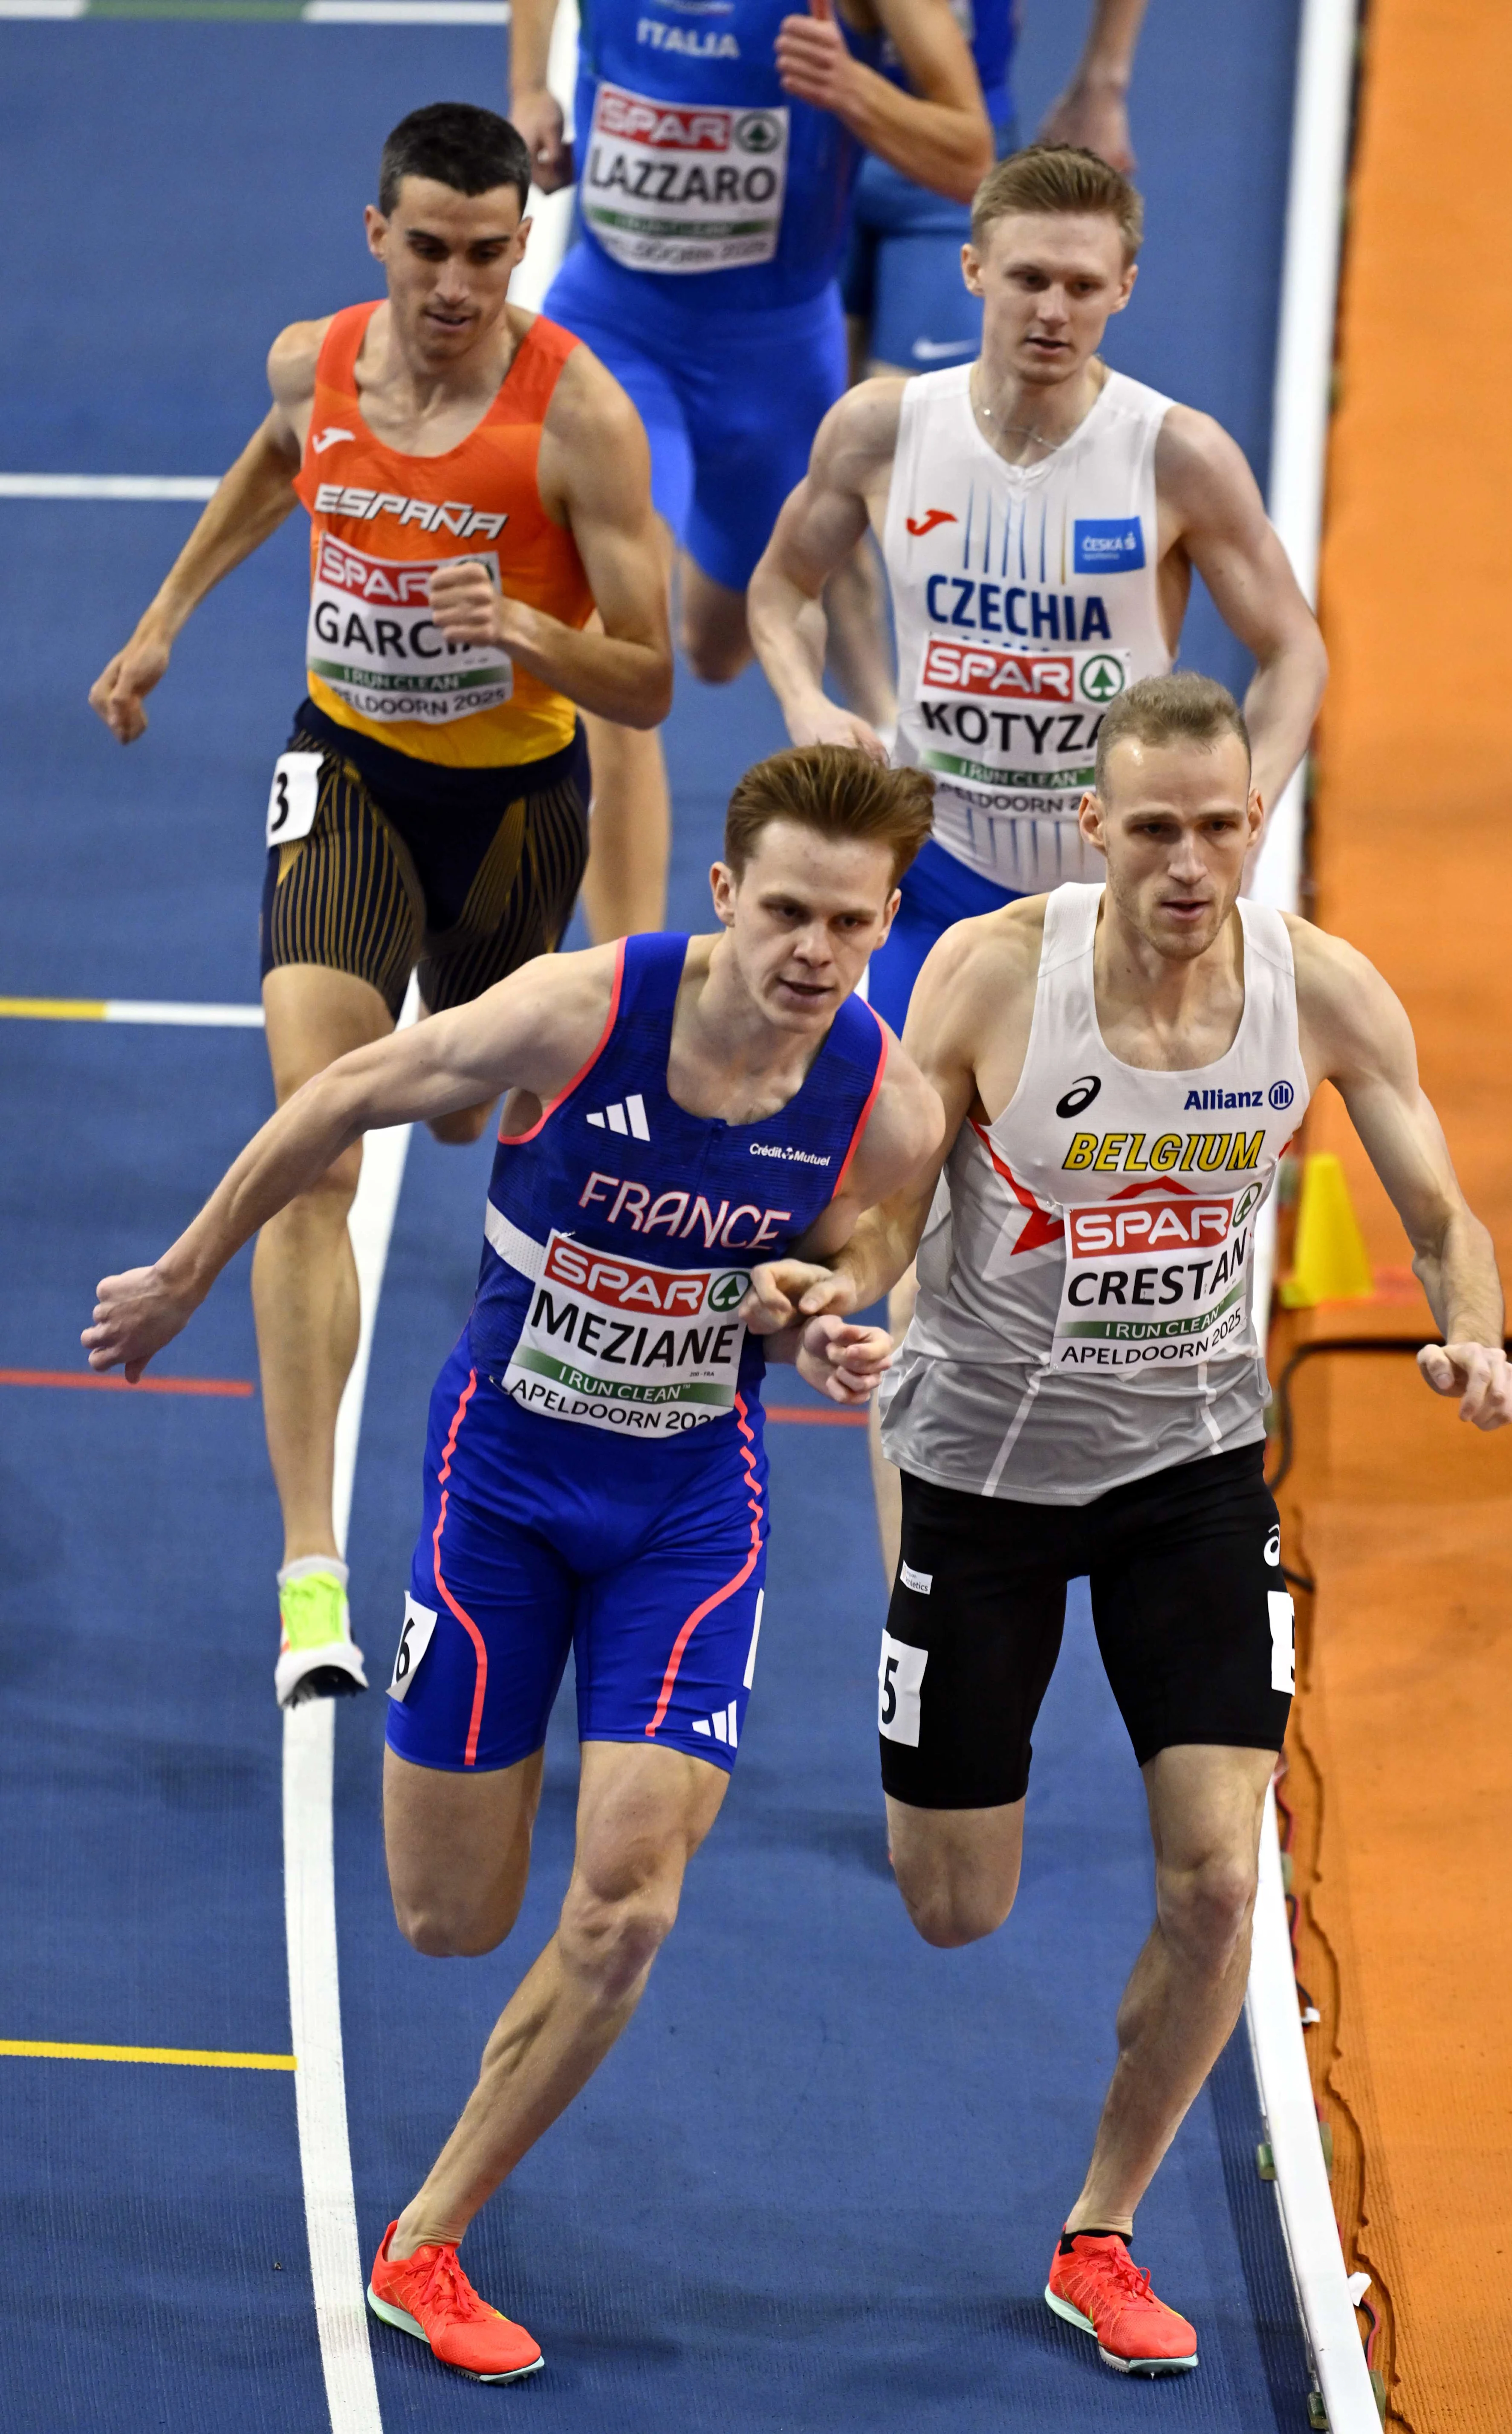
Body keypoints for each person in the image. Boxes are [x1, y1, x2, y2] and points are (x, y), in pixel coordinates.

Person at [83, 745, 944, 2384]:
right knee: (448, 1916)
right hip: (505, 1488)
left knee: (627, 1904)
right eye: (783, 914)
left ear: (887, 919)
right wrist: (192, 1271)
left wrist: (830, 1303)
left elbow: (877, 1226)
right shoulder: (579, 1012)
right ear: (723, 897)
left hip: (693, 1516)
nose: (811, 954)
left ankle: (428, 2236)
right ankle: (514, 1779)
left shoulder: (882, 1096)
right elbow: (339, 1096)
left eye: (848, 923)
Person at [745, 674, 1512, 2376]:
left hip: (1190, 1474)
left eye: (1222, 825)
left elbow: (1447, 1209)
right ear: (1094, 829)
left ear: (1260, 824)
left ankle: (1100, 2225)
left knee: (1219, 1875)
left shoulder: (1315, 989)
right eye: (1156, 826)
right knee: (956, 1901)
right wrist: (846, 1300)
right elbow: (882, 1200)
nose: (1191, 860)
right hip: (986, 1475)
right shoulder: (992, 975)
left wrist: (1474, 1326)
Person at [89, 102, 673, 1710]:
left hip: (511, 817)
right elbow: (277, 469)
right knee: (319, 1146)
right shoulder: (315, 364)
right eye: (429, 249)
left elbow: (654, 677)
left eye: (491, 254)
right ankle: (312, 1574)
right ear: (377, 240)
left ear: (519, 250)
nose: (459, 285)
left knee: (473, 1116)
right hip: (341, 775)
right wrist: (163, 619)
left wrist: (531, 637)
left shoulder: (581, 424)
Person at [749, 142, 1327, 1033]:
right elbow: (784, 588)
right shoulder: (883, 431)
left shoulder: (1178, 455)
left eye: (1084, 287)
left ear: (1125, 287)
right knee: (908, 1155)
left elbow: (1293, 651)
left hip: (1117, 892)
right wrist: (802, 701)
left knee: (1081, 1164)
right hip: (936, 876)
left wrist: (1241, 821)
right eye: (1029, 279)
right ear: (974, 269)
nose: (1054, 312)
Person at [506, 0, 994, 933]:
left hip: (771, 362)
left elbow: (971, 153)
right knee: (622, 671)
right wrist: (531, 91)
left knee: (712, 648)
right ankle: (630, 999)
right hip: (614, 325)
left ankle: (680, 518)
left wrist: (850, 86)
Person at [827, 0, 1150, 728]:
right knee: (815, 470)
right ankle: (878, 723)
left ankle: (940, 717)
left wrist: (1105, 80)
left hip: (947, 166)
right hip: (810, 163)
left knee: (929, 451)